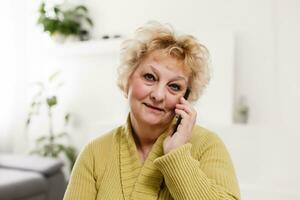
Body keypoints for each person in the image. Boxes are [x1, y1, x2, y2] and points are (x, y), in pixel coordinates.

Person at [63, 22, 240, 200]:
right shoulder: (94, 153)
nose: (158, 95)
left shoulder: (207, 145)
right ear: (127, 79)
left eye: (174, 86)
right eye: (149, 77)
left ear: (185, 98)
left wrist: (177, 156)